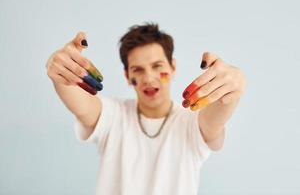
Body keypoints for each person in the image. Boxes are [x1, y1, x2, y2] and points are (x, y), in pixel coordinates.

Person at [46, 23, 246, 195]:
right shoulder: (112, 116)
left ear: (173, 67)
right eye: (138, 70)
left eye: (157, 66)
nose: (149, 78)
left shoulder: (191, 123)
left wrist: (232, 87)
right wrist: (61, 71)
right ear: (127, 76)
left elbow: (215, 119)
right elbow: (80, 104)